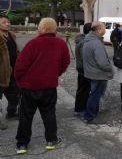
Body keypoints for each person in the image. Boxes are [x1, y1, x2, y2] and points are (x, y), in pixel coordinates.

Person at [14, 18, 70, 154]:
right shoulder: (61, 44)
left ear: (43, 29)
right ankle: (51, 140)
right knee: (49, 113)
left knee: (25, 115)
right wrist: (55, 73)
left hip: (29, 87)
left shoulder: (33, 43)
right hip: (49, 86)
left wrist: (18, 79)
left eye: (39, 27)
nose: (38, 29)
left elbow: (20, 65)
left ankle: (22, 144)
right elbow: (65, 62)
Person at [83, 21, 113, 124]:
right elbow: (102, 62)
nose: (105, 30)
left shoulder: (88, 39)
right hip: (98, 74)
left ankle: (92, 114)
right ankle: (90, 116)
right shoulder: (96, 42)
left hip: (91, 72)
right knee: (95, 95)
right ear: (99, 30)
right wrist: (110, 69)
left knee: (93, 94)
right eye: (104, 28)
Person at [0, 15, 20, 130]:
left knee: (15, 96)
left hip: (12, 73)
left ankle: (11, 113)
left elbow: (16, 52)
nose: (7, 24)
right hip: (1, 74)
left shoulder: (11, 35)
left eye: (8, 22)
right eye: (4, 22)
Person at [74, 23, 92, 116]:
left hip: (81, 68)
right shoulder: (85, 41)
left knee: (82, 89)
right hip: (84, 69)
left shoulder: (81, 40)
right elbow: (85, 57)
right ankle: (80, 109)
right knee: (83, 90)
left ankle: (80, 108)